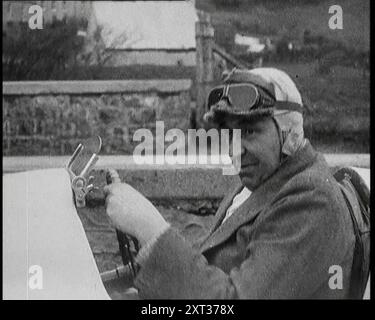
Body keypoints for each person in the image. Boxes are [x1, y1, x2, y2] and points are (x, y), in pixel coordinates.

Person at [104, 68, 358, 299]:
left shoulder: (312, 199)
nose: (235, 150)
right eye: (229, 134)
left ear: (288, 133)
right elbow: (213, 269)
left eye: (249, 131)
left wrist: (152, 231)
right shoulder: (260, 181)